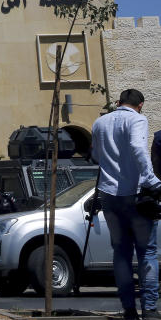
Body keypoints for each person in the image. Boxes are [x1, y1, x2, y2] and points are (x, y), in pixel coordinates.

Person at [92, 89, 161, 320]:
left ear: (118, 102)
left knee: (121, 252)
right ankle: (149, 309)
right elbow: (138, 148)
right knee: (147, 252)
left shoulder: (99, 123)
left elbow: (96, 155)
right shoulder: (138, 119)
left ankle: (128, 308)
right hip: (136, 193)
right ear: (140, 105)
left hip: (110, 194)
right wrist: (152, 180)